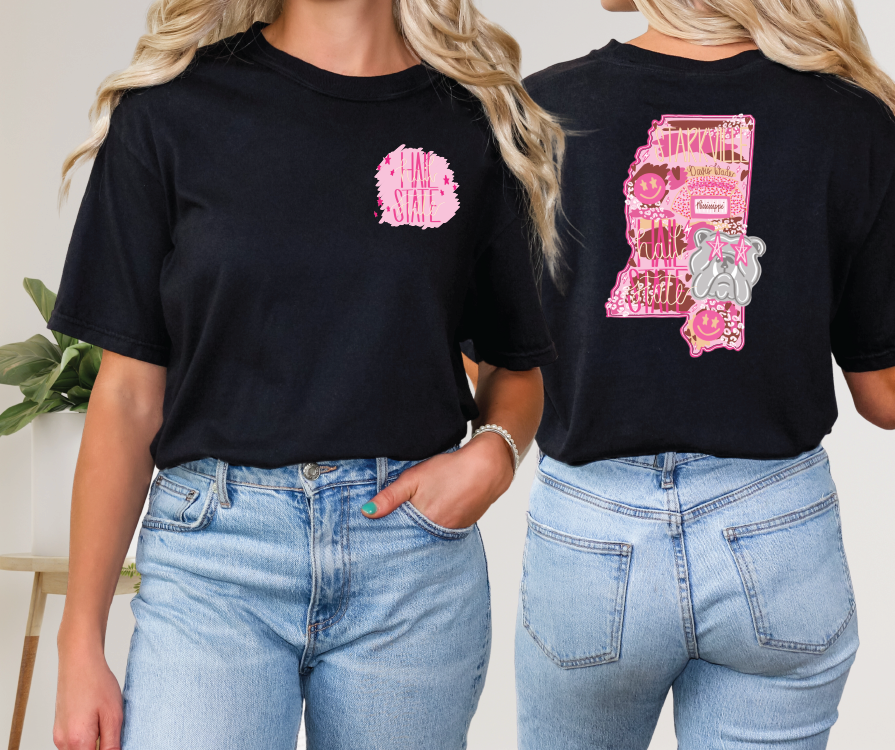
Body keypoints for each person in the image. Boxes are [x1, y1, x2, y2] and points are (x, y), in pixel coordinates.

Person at [50, 1, 562, 749]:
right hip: (216, 561)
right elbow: (127, 397)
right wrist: (79, 642)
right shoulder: (169, 112)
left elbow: (518, 370)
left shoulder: (475, 123)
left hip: (407, 568)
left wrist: (495, 454)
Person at [506, 1, 895, 748]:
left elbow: (488, 358)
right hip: (776, 539)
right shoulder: (846, 117)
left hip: (594, 545)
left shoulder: (537, 110)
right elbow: (891, 398)